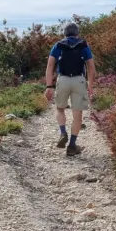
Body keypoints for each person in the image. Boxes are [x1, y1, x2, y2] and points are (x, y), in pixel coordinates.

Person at [45, 22, 95, 156]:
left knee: (60, 108)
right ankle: (72, 145)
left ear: (65, 33)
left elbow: (50, 66)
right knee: (77, 114)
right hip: (79, 80)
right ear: (77, 33)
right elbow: (91, 66)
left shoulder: (58, 45)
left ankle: (62, 132)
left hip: (63, 80)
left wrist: (49, 86)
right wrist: (90, 85)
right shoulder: (83, 45)